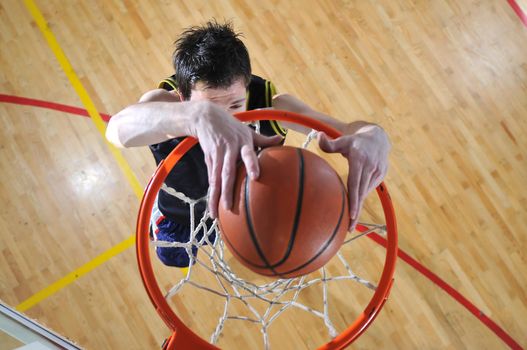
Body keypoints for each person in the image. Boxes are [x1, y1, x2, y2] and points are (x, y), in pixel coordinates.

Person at [106, 20, 390, 268]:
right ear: (183, 98)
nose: (229, 117)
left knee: (260, 245)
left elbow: (346, 130)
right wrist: (192, 117)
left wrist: (372, 134)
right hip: (181, 214)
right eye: (212, 108)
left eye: (235, 104)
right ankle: (160, 210)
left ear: (245, 87)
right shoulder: (163, 105)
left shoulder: (273, 107)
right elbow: (117, 130)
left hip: (243, 209)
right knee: (174, 259)